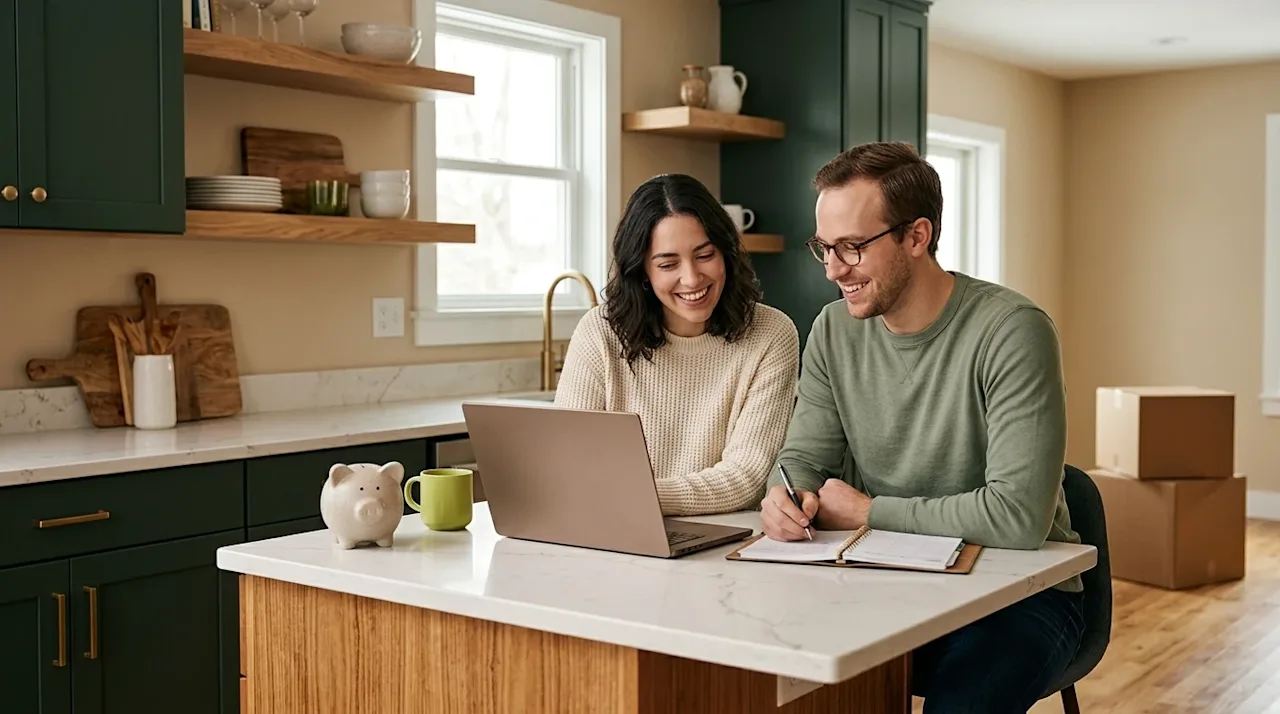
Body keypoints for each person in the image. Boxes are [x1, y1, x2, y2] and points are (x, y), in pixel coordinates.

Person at [759, 142, 1084, 713]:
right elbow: (803, 460)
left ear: (916, 237)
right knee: (766, 669)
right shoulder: (834, 330)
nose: (834, 270)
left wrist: (868, 511)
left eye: (853, 247)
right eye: (825, 248)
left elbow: (1018, 517)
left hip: (1020, 592)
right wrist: (785, 499)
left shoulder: (1013, 331)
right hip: (883, 577)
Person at [554, 173, 800, 517]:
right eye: (668, 264)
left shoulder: (771, 333)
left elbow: (747, 477)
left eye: (704, 255)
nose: (692, 278)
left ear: (725, 253)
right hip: (611, 529)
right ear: (642, 271)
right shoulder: (600, 331)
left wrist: (632, 497)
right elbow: (567, 462)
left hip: (721, 539)